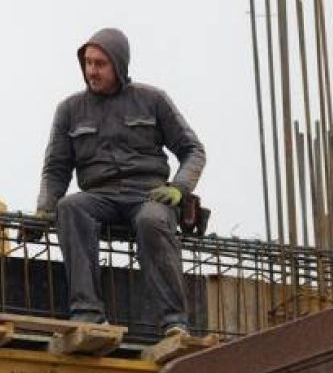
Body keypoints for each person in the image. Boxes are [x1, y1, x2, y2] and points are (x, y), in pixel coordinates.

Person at [34, 28, 206, 337]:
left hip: (148, 195)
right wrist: (44, 209)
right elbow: (56, 168)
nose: (91, 71)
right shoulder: (70, 110)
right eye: (87, 63)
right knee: (70, 207)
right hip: (99, 195)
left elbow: (193, 150)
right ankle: (88, 313)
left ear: (118, 65)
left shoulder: (152, 100)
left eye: (100, 64)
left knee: (153, 221)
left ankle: (174, 322)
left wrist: (179, 189)